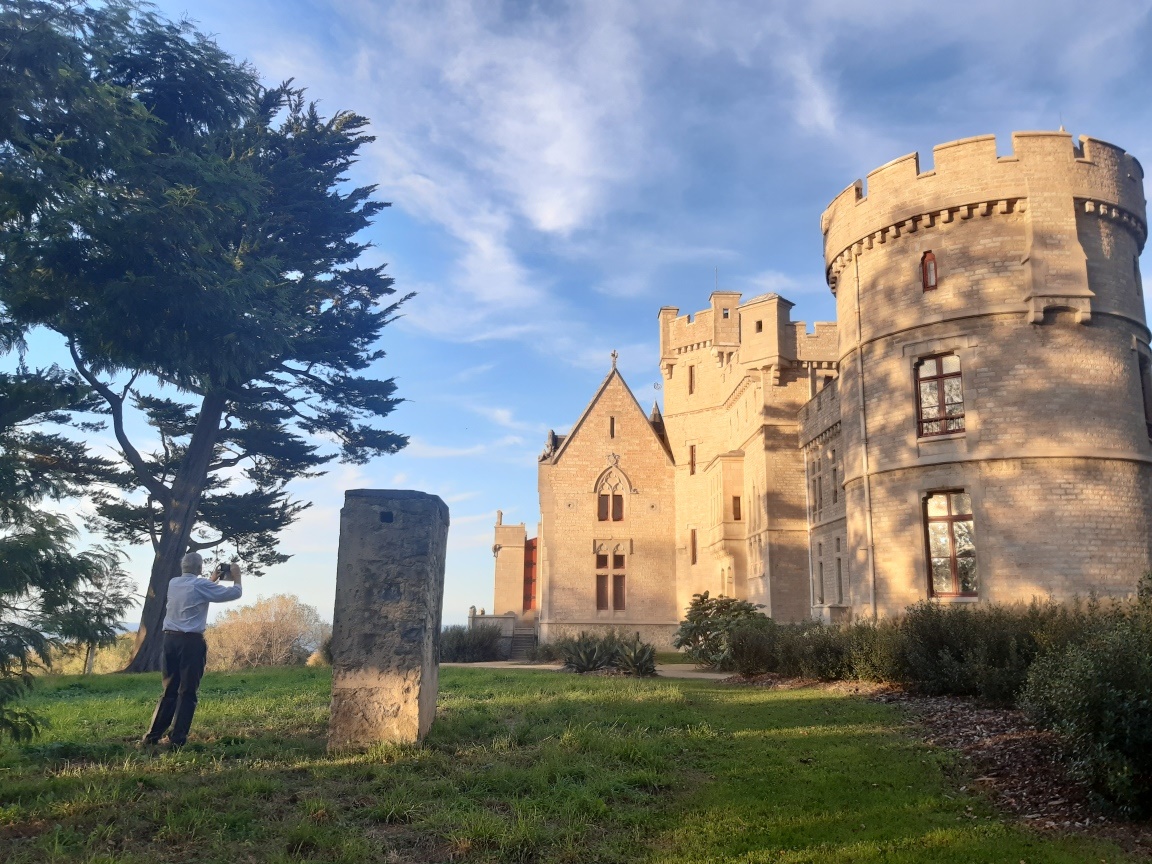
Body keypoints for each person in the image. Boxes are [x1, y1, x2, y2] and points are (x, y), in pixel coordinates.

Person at [141, 552, 243, 748]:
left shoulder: (174, 583)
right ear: (199, 569)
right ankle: (176, 739)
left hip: (170, 641)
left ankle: (152, 736)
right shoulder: (201, 586)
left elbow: (195, 591)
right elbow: (235, 593)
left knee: (169, 690)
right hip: (191, 643)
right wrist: (236, 577)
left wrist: (212, 580)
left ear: (183, 567)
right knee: (187, 692)